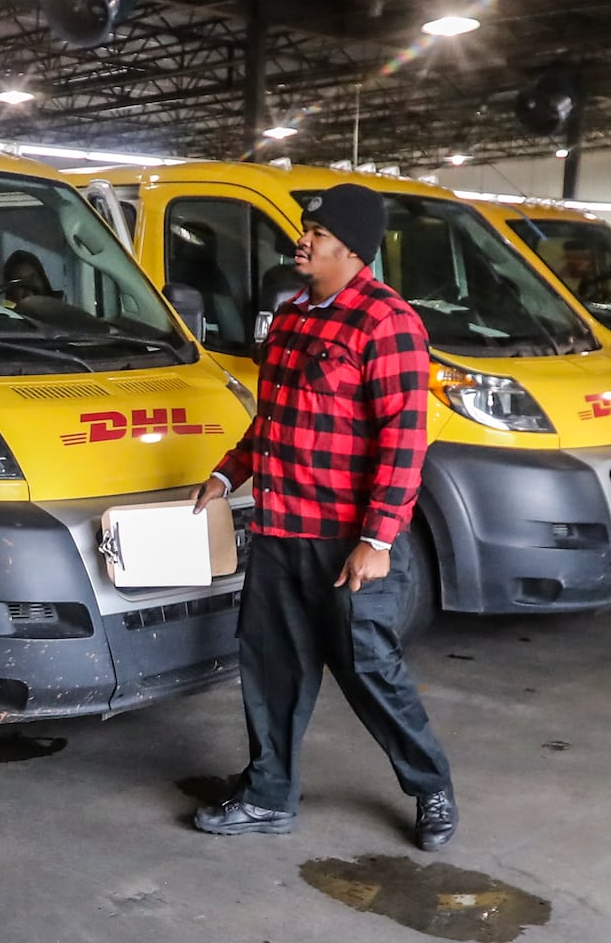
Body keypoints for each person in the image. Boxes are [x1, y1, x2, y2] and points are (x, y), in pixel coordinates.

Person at [187, 183, 458, 851]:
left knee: (369, 668)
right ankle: (269, 794)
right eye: (305, 229)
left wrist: (378, 538)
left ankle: (431, 786)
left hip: (346, 540)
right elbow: (273, 421)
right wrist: (228, 473)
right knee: (272, 665)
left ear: (352, 247)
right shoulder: (293, 316)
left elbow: (404, 438)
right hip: (281, 529)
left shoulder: (386, 322)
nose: (302, 240)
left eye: (317, 232)